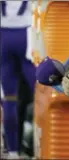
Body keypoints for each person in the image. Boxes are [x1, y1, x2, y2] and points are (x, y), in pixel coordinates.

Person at [0, 1, 36, 159]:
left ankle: (13, 151)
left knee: (9, 99)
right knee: (43, 95)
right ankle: (48, 147)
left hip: (3, 35)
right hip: (26, 34)